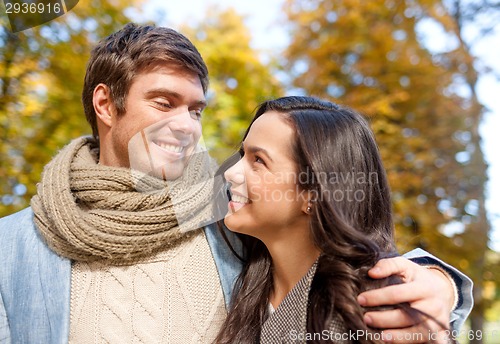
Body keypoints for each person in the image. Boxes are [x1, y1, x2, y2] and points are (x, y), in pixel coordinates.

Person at [0, 24, 472, 343]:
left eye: (196, 109)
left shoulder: (226, 213)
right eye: (165, 103)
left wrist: (439, 285)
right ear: (106, 104)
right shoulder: (13, 246)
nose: (187, 126)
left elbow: (333, 252)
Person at [217, 96, 464, 343]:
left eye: (258, 160)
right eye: (242, 154)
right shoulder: (239, 274)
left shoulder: (376, 311)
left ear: (313, 194)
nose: (231, 172)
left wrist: (441, 285)